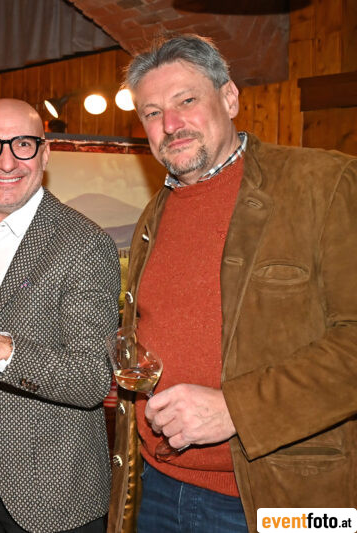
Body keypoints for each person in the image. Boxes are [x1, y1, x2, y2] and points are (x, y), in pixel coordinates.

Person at [108, 34, 357, 533]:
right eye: (152, 113)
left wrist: (236, 410)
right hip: (157, 487)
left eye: (186, 101)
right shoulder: (154, 214)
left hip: (282, 499)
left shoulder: (325, 183)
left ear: (229, 98)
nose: (170, 124)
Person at [0, 99, 120, 533]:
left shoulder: (83, 244)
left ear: (45, 153)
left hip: (54, 487)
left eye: (22, 144)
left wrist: (1, 348)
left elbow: (92, 379)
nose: (6, 162)